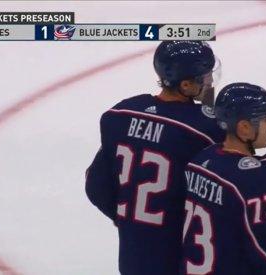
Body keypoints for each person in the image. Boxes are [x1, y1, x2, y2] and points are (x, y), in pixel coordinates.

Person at [85, 41, 224, 275]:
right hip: (183, 258)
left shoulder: (121, 114)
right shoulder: (205, 130)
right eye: (205, 75)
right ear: (186, 85)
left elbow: (96, 186)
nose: (210, 80)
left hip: (133, 256)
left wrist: (130, 220)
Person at [180, 82, 266, 275]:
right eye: (265, 119)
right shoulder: (253, 181)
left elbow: (256, 176)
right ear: (244, 128)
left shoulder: (201, 160)